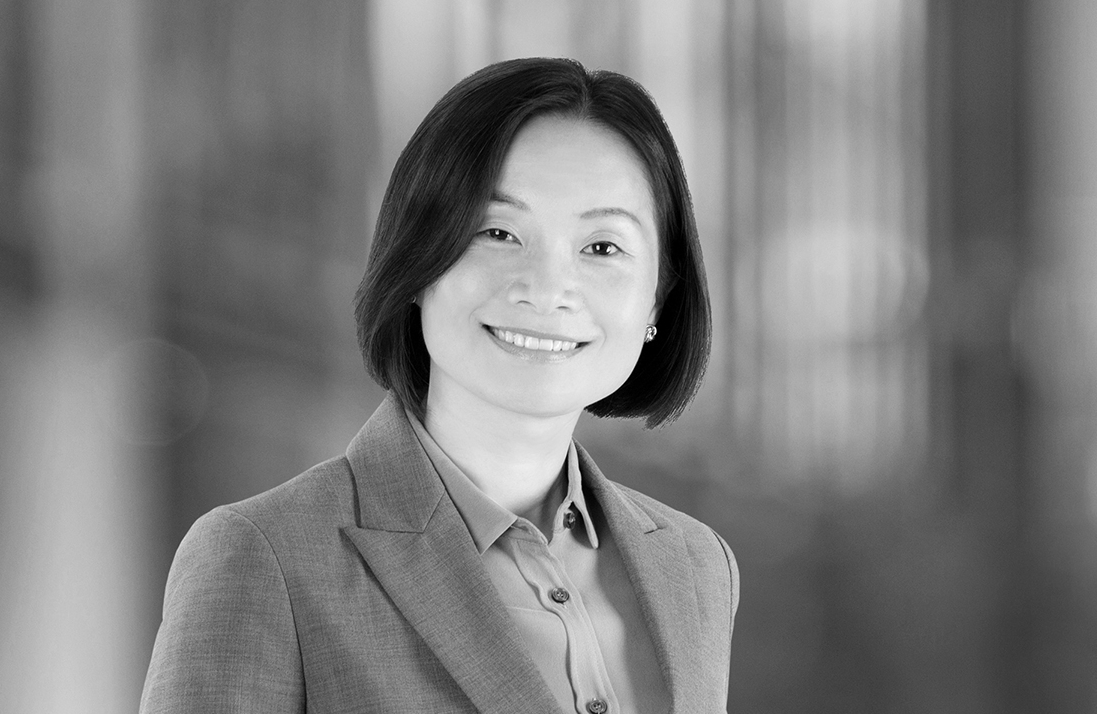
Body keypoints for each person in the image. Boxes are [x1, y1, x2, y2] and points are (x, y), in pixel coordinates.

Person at [140, 57, 739, 714]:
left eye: (602, 248)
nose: (546, 290)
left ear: (659, 297)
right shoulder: (265, 557)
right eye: (498, 232)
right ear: (420, 260)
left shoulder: (695, 566)